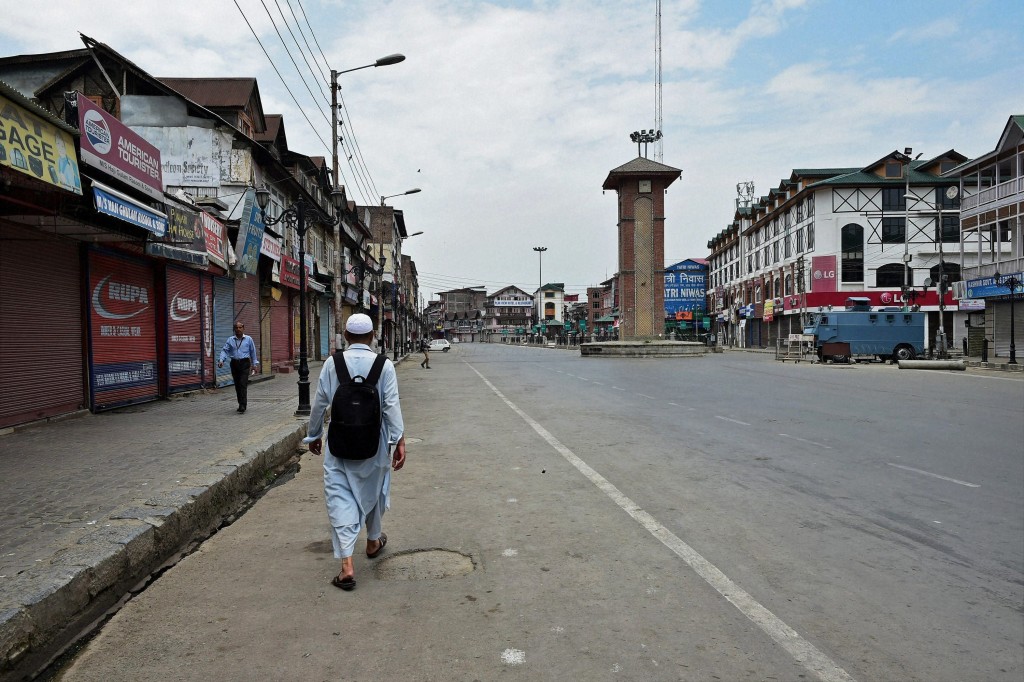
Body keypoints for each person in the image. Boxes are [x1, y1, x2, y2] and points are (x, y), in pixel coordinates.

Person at [305, 313, 406, 591]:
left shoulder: (332, 363)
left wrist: (314, 435)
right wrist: (399, 441)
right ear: (373, 336)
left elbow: (319, 403)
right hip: (375, 443)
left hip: (339, 444)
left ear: (346, 337)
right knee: (373, 491)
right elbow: (391, 406)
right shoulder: (383, 365)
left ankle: (347, 565)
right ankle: (373, 541)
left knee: (339, 496)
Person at [218, 322, 259, 413]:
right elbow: (225, 350)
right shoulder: (230, 340)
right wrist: (221, 360)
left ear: (243, 328)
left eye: (240, 327)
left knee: (242, 384)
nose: (238, 329)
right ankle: (240, 402)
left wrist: (254, 365)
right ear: (234, 329)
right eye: (236, 328)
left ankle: (243, 405)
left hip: (245, 363)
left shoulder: (248, 339)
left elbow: (253, 352)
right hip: (234, 363)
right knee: (237, 385)